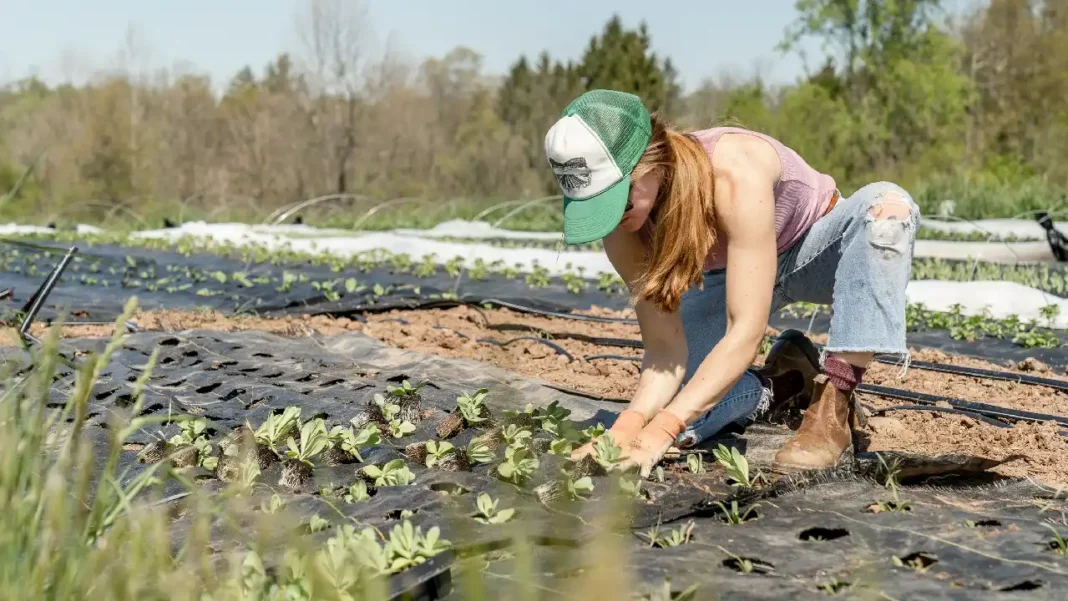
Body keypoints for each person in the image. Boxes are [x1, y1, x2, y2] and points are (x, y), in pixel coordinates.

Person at [544, 89, 919, 476]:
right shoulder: (624, 228)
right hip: (732, 275)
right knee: (683, 411)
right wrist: (628, 428)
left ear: (651, 161)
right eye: (597, 207)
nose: (615, 218)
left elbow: (745, 331)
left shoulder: (733, 171)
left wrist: (661, 430)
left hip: (813, 252)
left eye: (618, 200)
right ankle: (783, 382)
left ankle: (833, 405)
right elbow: (665, 350)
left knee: (886, 211)